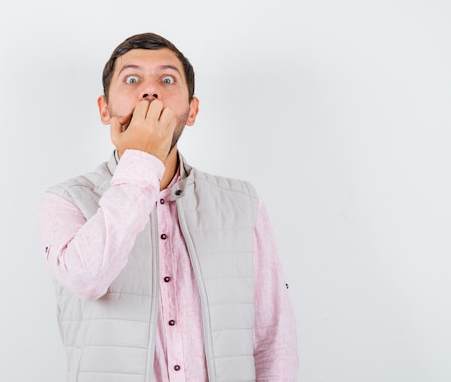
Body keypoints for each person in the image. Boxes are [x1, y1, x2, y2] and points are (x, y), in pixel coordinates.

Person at [38, 32, 298, 382]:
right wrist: (142, 160)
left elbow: (272, 337)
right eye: (132, 79)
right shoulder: (66, 200)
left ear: (192, 111)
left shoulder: (243, 203)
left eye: (167, 79)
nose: (150, 91)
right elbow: (87, 279)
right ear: (105, 109)